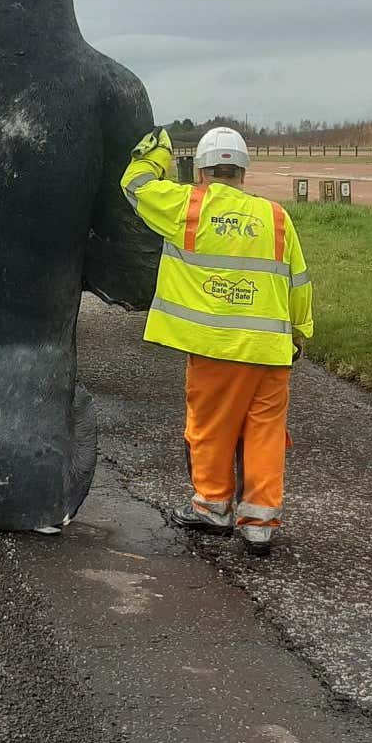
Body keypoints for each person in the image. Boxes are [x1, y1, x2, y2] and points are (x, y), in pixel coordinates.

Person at [119, 125, 313, 554]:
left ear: (201, 170)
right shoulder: (276, 217)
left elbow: (134, 185)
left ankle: (212, 508)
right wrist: (300, 332)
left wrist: (155, 152)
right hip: (270, 352)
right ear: (243, 171)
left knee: (210, 429)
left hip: (217, 350)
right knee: (265, 433)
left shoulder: (187, 205)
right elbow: (298, 281)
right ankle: (259, 524)